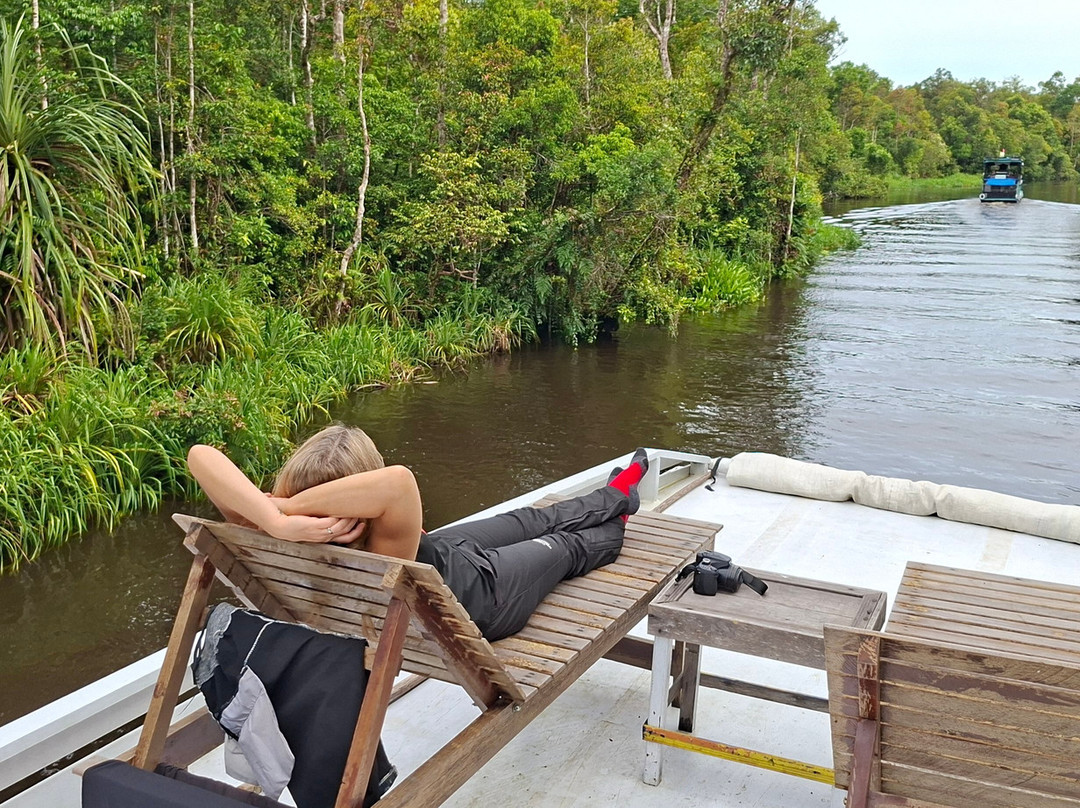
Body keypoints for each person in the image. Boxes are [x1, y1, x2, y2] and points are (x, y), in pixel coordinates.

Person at [186, 425, 648, 641]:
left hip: (445, 554)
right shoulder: (383, 545)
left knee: (532, 518)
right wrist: (285, 516)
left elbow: (199, 455)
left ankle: (618, 494)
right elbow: (400, 479)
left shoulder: (273, 531)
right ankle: (618, 515)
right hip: (483, 596)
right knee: (565, 545)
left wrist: (278, 516)